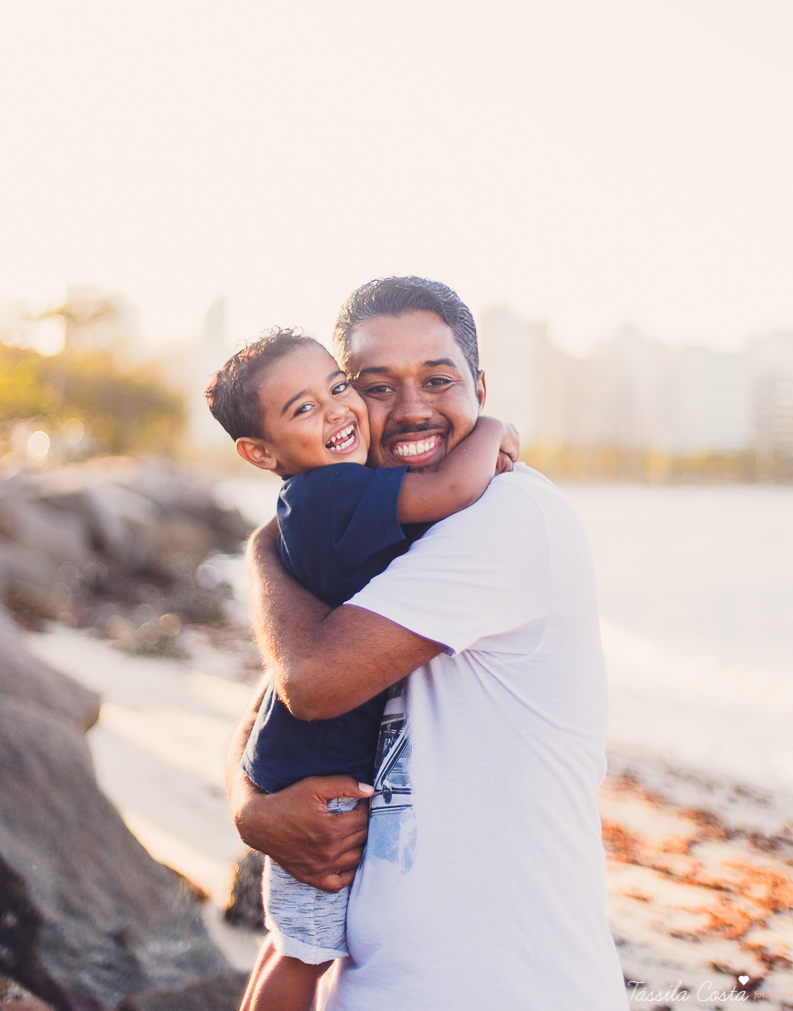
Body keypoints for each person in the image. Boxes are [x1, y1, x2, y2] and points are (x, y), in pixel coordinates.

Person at [227, 276, 629, 1011]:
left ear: (479, 387)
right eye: (378, 387)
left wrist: (263, 551)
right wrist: (252, 808)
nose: (412, 408)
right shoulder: (374, 541)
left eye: (437, 380)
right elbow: (272, 701)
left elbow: (311, 680)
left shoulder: (508, 518)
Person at [206, 326, 519, 1011]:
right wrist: (490, 424)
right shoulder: (330, 496)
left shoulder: (321, 499)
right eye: (303, 409)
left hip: (298, 759)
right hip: (318, 776)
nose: (337, 411)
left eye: (338, 388)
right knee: (306, 953)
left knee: (291, 941)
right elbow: (448, 490)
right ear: (260, 452)